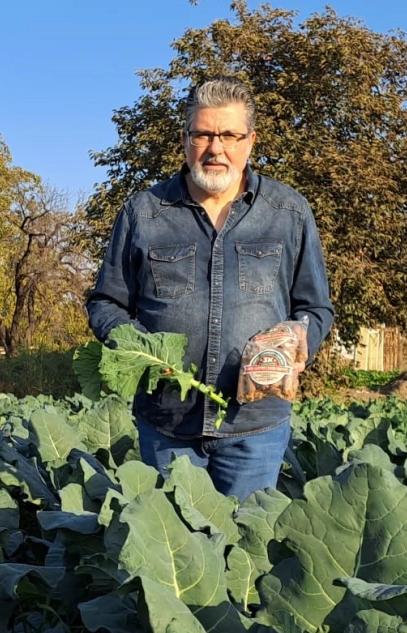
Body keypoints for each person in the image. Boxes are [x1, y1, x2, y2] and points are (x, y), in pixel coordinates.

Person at [86, 75, 334, 501]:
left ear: (250, 141)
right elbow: (106, 301)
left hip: (256, 426)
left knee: (246, 549)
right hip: (167, 423)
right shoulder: (144, 212)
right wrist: (140, 350)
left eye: (229, 135)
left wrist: (298, 338)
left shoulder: (287, 211)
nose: (216, 148)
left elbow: (315, 307)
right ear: (185, 139)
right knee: (175, 553)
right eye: (203, 134)